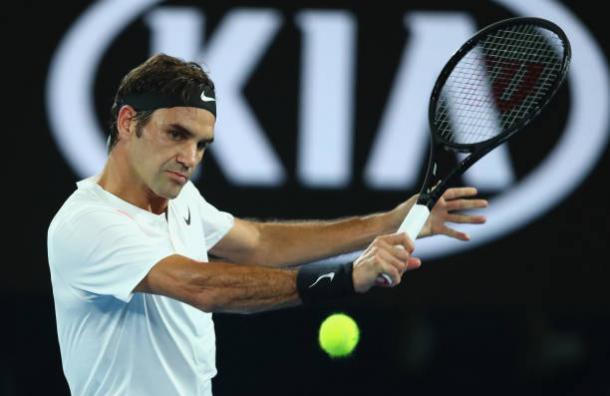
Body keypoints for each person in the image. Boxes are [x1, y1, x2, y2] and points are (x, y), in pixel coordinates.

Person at [47, 53, 487, 395]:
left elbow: (257, 242)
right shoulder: (87, 223)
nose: (190, 158)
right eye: (177, 134)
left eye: (202, 145)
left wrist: (385, 222)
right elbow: (204, 287)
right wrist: (346, 278)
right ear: (129, 122)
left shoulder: (180, 200)